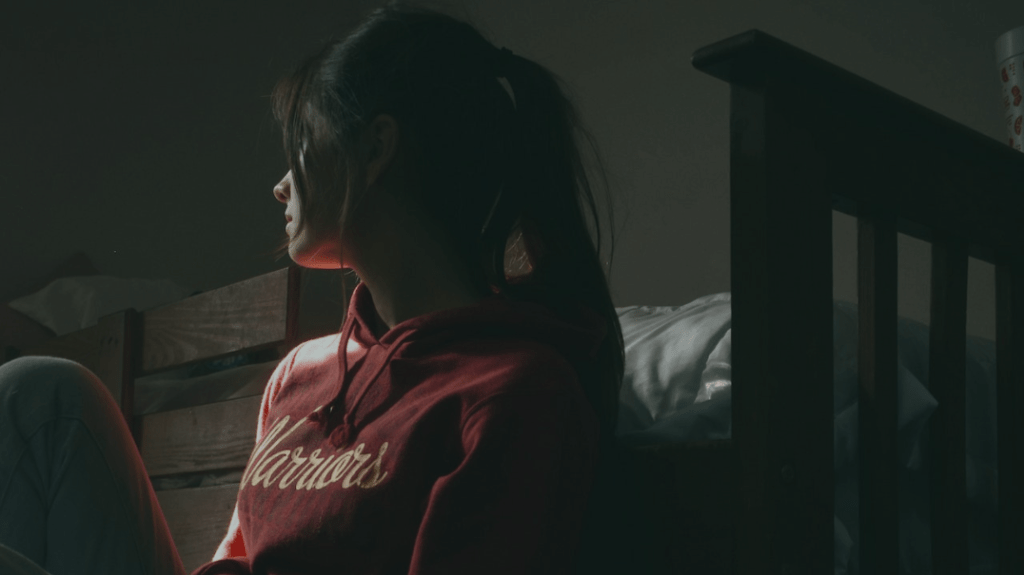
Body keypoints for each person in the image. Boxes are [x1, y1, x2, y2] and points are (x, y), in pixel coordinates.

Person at [0, 2, 625, 573]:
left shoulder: (513, 393)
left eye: (301, 144)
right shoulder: (302, 372)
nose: (280, 186)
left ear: (375, 148)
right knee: (41, 393)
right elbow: (240, 557)